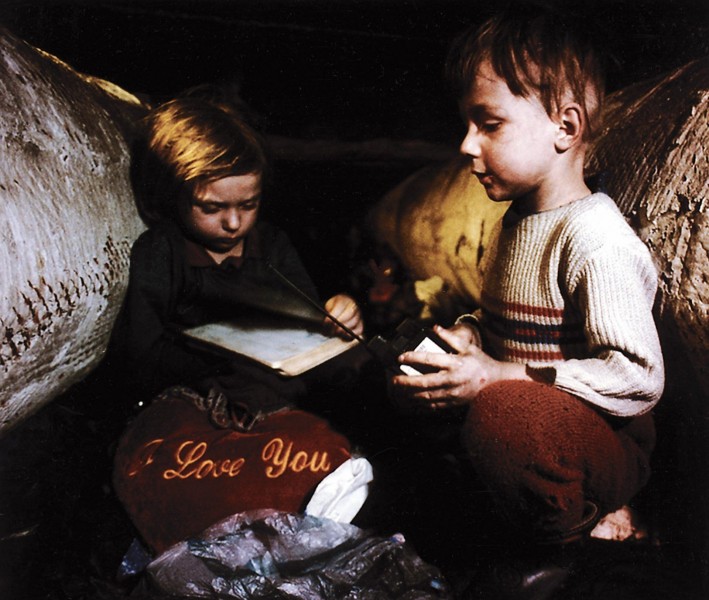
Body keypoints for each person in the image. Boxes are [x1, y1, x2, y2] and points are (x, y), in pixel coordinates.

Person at [391, 4, 664, 557]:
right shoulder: (514, 223)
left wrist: (495, 377)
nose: (467, 145)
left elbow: (638, 377)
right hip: (520, 411)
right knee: (408, 373)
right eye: (468, 125)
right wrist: (469, 335)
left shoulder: (595, 239)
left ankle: (572, 531)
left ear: (565, 127)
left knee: (504, 416)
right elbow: (504, 317)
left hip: (599, 443)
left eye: (489, 124)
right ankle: (492, 494)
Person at [111, 90, 363, 423]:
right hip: (201, 400)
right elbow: (141, 354)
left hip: (282, 391)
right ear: (173, 194)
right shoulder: (162, 252)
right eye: (212, 208)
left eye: (248, 205)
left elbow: (309, 322)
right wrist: (226, 358)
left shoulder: (272, 245)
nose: (233, 223)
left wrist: (339, 311)